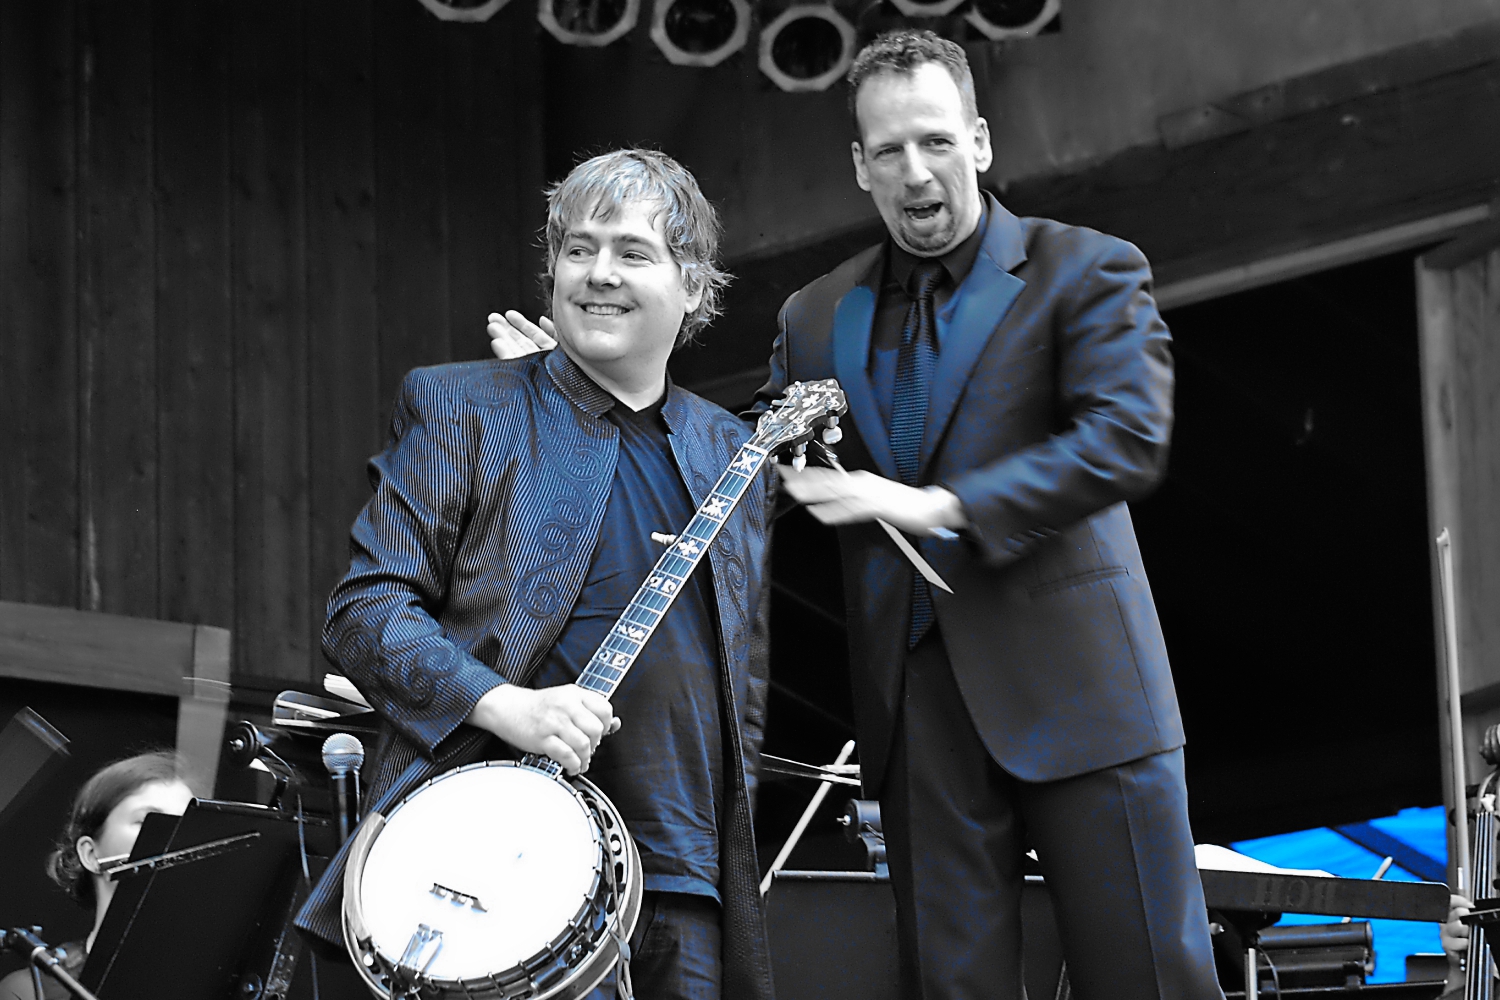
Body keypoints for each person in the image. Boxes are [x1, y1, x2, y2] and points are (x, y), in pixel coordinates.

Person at [489, 30, 1219, 1000]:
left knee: (1150, 981)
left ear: (980, 141)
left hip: (1084, 690)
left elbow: (1123, 439)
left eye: (936, 141)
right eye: (889, 150)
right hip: (917, 709)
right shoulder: (817, 314)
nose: (915, 171)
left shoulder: (1085, 268)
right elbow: (730, 480)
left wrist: (936, 504)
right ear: (859, 165)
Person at [295, 149, 776, 1000]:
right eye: (578, 249)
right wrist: (503, 705)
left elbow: (745, 681)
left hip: (685, 878)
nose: (599, 273)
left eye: (633, 252)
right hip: (494, 872)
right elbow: (365, 610)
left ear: (694, 285)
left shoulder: (732, 451)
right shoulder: (463, 406)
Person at [0, 751, 193, 1000]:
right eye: (149, 820)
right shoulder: (32, 991)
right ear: (90, 854)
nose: (174, 836)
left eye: (186, 824)